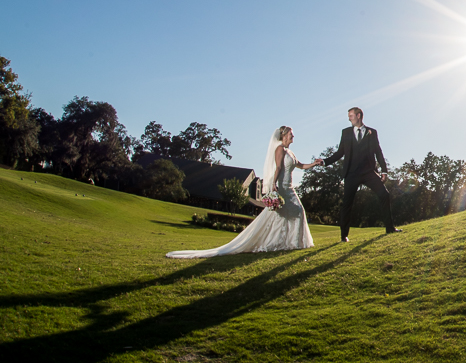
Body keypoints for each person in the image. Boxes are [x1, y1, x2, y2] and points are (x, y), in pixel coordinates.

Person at [166, 125, 317, 259]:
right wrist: (273, 185)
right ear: (284, 136)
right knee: (291, 213)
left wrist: (315, 164)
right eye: (291, 134)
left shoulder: (290, 153)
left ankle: (292, 243)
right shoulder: (280, 149)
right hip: (282, 188)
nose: (293, 136)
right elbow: (277, 168)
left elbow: (301, 165)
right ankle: (291, 243)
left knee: (295, 213)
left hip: (290, 188)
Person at [317, 106, 398, 241]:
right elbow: (340, 152)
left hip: (369, 172)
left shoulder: (372, 132)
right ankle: (344, 236)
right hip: (351, 173)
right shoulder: (346, 132)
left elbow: (378, 151)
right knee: (347, 204)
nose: (349, 119)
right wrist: (325, 161)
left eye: (351, 116)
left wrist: (384, 170)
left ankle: (390, 228)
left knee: (384, 194)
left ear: (359, 115)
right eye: (349, 116)